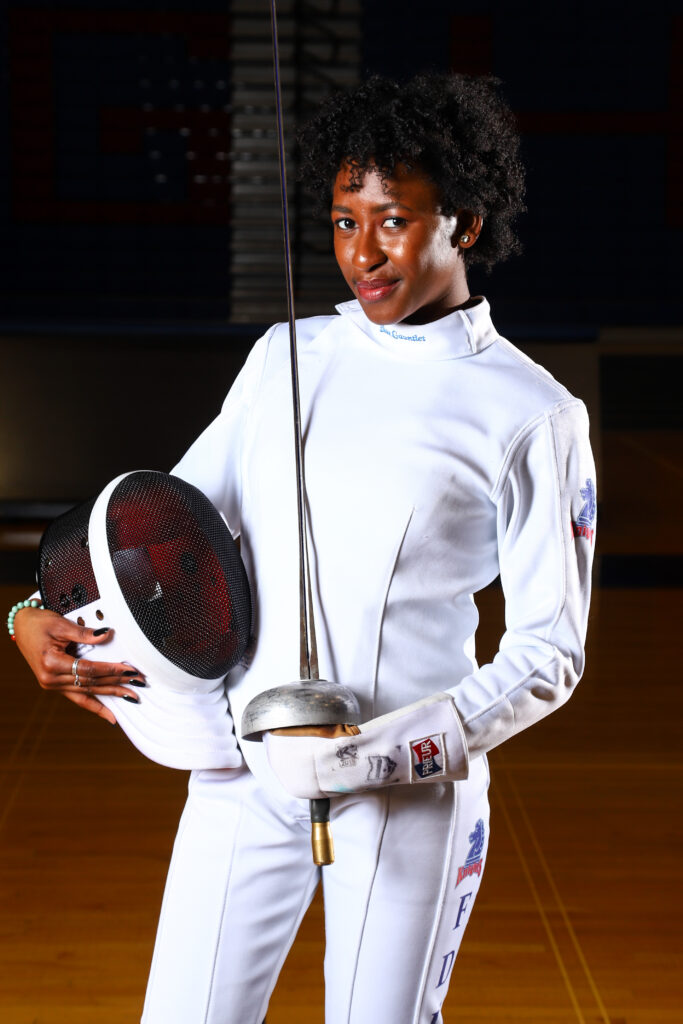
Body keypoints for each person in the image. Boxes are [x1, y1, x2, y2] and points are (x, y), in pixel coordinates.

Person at [11, 73, 596, 1023]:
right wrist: (34, 616)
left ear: (467, 224)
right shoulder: (289, 355)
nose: (361, 253)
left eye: (392, 221)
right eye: (340, 221)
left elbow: (547, 656)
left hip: (404, 794)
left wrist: (372, 757)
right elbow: (163, 531)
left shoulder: (530, 414)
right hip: (241, 773)